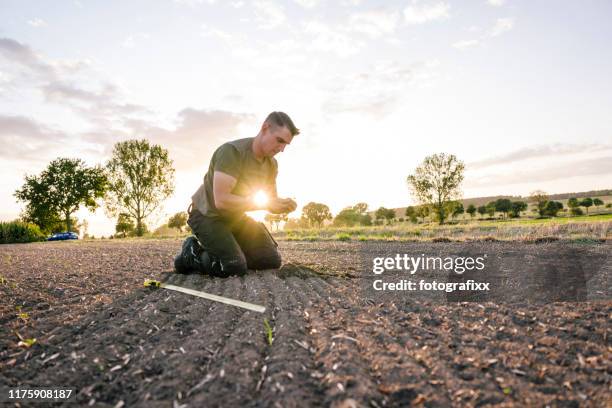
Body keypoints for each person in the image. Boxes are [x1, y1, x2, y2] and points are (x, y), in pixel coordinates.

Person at [174, 111, 299, 277]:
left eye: (286, 145)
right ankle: (191, 254)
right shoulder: (232, 153)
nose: (282, 149)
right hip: (207, 216)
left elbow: (270, 202)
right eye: (279, 140)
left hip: (235, 218)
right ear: (265, 128)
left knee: (270, 260)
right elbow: (222, 201)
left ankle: (230, 250)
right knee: (234, 266)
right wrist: (266, 203)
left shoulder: (272, 165)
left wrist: (282, 206)